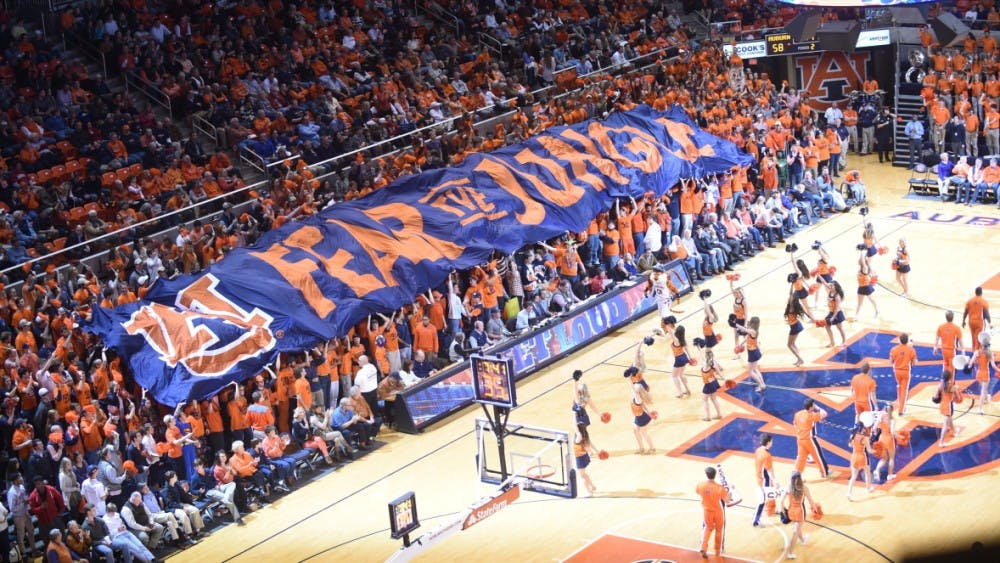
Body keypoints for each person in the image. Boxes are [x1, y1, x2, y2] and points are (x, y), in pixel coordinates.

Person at [695, 466, 737, 559]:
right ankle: (717, 551)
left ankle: (703, 547)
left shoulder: (700, 485)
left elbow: (698, 492)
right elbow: (727, 501)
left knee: (707, 529)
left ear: (706, 474)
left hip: (706, 511)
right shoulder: (719, 488)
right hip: (718, 512)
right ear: (715, 475)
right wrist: (731, 490)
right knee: (719, 531)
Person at [190, 458, 243, 526]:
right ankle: (237, 518)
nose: (197, 468)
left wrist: (216, 485)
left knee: (232, 484)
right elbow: (192, 490)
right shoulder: (194, 478)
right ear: (194, 468)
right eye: (196, 466)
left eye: (198, 465)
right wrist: (199, 491)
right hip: (208, 492)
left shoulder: (208, 471)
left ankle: (226, 498)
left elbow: (214, 480)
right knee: (226, 499)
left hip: (216, 488)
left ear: (202, 465)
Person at [781, 471, 815, 559]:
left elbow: (781, 502)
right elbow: (811, 501)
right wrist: (815, 509)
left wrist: (784, 512)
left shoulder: (788, 487)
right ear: (800, 478)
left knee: (797, 527)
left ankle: (803, 540)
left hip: (791, 511)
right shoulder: (804, 488)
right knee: (795, 532)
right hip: (800, 512)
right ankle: (790, 553)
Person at [793, 399, 829, 478]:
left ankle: (797, 476)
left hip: (800, 439)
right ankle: (824, 473)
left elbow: (795, 424)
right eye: (813, 405)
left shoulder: (798, 414)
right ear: (811, 407)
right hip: (810, 440)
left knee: (801, 458)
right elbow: (824, 413)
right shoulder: (811, 416)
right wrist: (817, 407)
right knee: (818, 456)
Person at [28, 475, 66, 543]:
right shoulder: (32, 496)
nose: (38, 486)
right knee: (47, 540)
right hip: (44, 522)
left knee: (62, 536)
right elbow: (33, 510)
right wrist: (41, 508)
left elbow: (60, 499)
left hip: (55, 518)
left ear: (43, 482)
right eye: (36, 484)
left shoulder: (51, 489)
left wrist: (61, 511)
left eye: (39, 483)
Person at [752, 433, 776, 527]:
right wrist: (775, 480)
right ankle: (755, 520)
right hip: (765, 480)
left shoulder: (758, 450)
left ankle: (770, 509)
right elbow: (770, 470)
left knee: (769, 495)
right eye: (772, 441)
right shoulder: (767, 455)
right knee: (762, 500)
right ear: (768, 442)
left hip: (759, 477)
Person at [889, 334, 917, 415]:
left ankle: (899, 401)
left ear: (899, 340)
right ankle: (901, 410)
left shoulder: (893, 349)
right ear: (907, 340)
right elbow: (914, 363)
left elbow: (891, 361)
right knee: (904, 390)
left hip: (896, 371)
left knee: (899, 385)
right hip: (905, 372)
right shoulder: (911, 349)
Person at [968, 341, 998, 415]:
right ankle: (980, 408)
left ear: (981, 345)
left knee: (983, 389)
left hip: (979, 373)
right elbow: (993, 366)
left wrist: (968, 364)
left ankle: (985, 400)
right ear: (988, 346)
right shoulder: (989, 354)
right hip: (985, 373)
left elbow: (970, 364)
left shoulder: (976, 352)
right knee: (983, 390)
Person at [846, 423, 874, 501]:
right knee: (867, 472)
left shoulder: (853, 436)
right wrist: (876, 451)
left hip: (854, 457)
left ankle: (849, 493)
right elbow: (869, 450)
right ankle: (868, 488)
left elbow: (850, 445)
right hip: (862, 457)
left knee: (853, 476)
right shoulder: (865, 438)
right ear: (862, 429)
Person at [738, 317, 766, 391]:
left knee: (750, 371)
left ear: (753, 323)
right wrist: (741, 344)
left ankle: (760, 385)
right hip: (755, 351)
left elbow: (745, 330)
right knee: (755, 369)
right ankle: (763, 384)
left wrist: (736, 325)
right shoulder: (753, 331)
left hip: (753, 353)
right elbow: (747, 337)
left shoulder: (753, 331)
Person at [935, 369, 961, 447]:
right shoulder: (952, 387)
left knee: (949, 419)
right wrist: (957, 389)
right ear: (950, 378)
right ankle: (941, 442)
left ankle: (955, 431)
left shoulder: (940, 385)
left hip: (942, 405)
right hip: (948, 406)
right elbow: (958, 397)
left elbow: (935, 397)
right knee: (945, 425)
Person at [872, 403, 898, 482]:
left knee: (884, 458)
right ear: (892, 410)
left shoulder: (881, 416)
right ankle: (889, 475)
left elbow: (874, 428)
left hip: (881, 438)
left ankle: (877, 470)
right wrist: (899, 436)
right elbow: (892, 432)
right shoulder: (892, 419)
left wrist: (876, 433)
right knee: (891, 458)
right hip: (889, 439)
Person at [667, 324, 692, 398]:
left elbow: (670, 331)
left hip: (678, 358)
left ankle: (680, 392)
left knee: (674, 376)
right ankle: (687, 389)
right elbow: (687, 349)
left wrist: (667, 323)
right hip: (684, 357)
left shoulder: (676, 340)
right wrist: (690, 358)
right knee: (681, 374)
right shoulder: (683, 340)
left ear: (677, 332)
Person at [573, 423, 599, 496]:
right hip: (585, 457)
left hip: (580, 458)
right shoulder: (585, 435)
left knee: (582, 476)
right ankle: (592, 486)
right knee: (584, 474)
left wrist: (574, 413)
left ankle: (589, 493)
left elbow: (574, 426)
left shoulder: (579, 436)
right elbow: (590, 444)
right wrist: (597, 451)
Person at [699, 348, 724, 421]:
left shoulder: (705, 365)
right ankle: (719, 414)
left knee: (705, 400)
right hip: (714, 382)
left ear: (706, 357)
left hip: (708, 385)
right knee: (714, 399)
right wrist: (724, 379)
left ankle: (708, 417)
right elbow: (719, 373)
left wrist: (699, 350)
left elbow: (701, 359)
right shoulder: (715, 363)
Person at [630, 383, 655, 455]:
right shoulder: (637, 398)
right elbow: (643, 406)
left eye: (634, 388)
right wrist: (649, 413)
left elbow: (632, 388)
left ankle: (652, 448)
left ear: (636, 391)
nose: (632, 389)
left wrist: (629, 378)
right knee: (635, 431)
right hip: (638, 417)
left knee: (644, 433)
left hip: (642, 418)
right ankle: (641, 448)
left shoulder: (638, 398)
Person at [784, 292, 806, 367]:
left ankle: (800, 359)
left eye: (791, 297)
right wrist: (792, 284)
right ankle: (799, 360)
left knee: (789, 345)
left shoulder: (793, 306)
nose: (789, 297)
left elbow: (805, 312)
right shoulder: (790, 305)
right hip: (795, 326)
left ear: (793, 299)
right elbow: (790, 293)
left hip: (795, 327)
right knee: (792, 344)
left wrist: (813, 319)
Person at [854, 251, 879, 319]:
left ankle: (877, 310)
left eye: (860, 260)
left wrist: (861, 251)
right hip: (861, 287)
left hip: (866, 287)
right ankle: (856, 316)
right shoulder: (860, 269)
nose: (859, 261)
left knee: (872, 300)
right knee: (859, 303)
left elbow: (862, 260)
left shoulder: (865, 268)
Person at [730, 278, 748, 358]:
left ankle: (757, 345)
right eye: (735, 293)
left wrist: (745, 324)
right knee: (736, 336)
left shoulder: (744, 301)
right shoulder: (736, 299)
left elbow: (746, 314)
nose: (735, 294)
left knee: (746, 337)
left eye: (737, 293)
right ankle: (737, 353)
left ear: (741, 293)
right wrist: (731, 279)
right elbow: (731, 288)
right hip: (736, 320)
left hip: (743, 320)